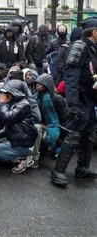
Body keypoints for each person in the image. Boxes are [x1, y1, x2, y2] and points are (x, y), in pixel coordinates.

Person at [50, 17, 97, 188]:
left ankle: (82, 168)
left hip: (90, 98)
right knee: (74, 135)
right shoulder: (79, 47)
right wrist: (73, 103)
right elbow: (71, 77)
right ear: (94, 32)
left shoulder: (93, 48)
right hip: (80, 99)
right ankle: (58, 171)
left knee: (89, 133)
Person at [0, 80, 38, 174]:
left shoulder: (24, 104)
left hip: (23, 143)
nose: (4, 95)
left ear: (14, 93)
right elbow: (7, 126)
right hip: (16, 138)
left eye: (7, 93)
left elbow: (7, 117)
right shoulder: (13, 102)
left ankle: (23, 158)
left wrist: (2, 103)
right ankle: (19, 155)